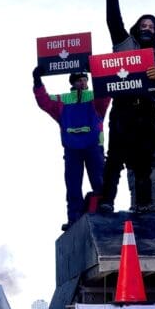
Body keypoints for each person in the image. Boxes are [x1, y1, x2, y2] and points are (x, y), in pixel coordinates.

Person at [99, 0, 155, 213]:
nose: (148, 28)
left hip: (146, 116)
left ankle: (142, 207)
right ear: (136, 27)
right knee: (114, 159)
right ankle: (106, 202)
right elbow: (112, 19)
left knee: (142, 163)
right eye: (144, 24)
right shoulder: (123, 44)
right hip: (122, 111)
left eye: (152, 26)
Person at [33, 67, 110, 228]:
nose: (83, 83)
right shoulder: (63, 100)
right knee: (73, 185)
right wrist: (37, 81)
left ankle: (104, 215)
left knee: (100, 182)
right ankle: (74, 219)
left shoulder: (96, 96)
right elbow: (44, 101)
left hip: (94, 147)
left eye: (85, 80)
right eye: (79, 80)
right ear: (73, 83)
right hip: (72, 149)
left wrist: (96, 71)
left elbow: (106, 92)